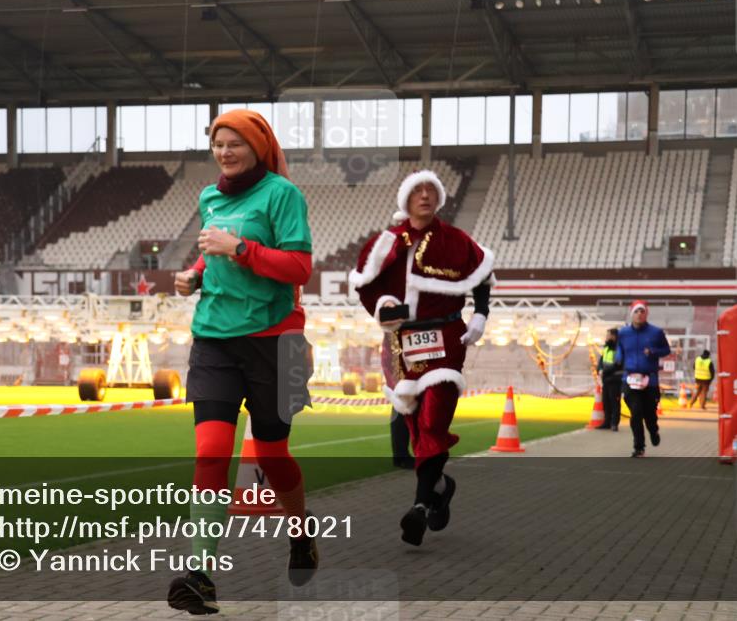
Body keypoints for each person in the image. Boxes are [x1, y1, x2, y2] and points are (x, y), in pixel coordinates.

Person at [169, 109, 317, 615]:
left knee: (273, 456)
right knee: (211, 452)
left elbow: (300, 268)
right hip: (214, 338)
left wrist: (242, 248)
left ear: (257, 145)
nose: (224, 152)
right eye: (217, 144)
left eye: (234, 143)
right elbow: (213, 256)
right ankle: (200, 575)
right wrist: (194, 274)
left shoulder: (282, 194)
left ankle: (301, 532)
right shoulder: (210, 197)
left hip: (275, 340)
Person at [351, 170, 495, 546]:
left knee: (434, 419)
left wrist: (480, 314)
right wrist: (383, 307)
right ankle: (441, 487)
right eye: (418, 191)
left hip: (446, 337)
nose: (426, 196)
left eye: (432, 190)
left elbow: (481, 275)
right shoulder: (385, 243)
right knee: (414, 425)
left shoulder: (457, 241)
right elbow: (368, 288)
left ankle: (417, 506)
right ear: (406, 199)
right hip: (400, 344)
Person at [616, 301, 671, 458]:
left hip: (650, 380)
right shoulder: (623, 333)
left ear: (646, 314)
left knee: (650, 414)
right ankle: (639, 447)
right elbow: (619, 348)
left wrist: (653, 351)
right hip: (630, 378)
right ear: (632, 314)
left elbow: (666, 349)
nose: (639, 314)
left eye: (642, 311)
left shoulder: (656, 332)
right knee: (636, 412)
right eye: (636, 311)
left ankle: (653, 430)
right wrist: (619, 357)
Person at [383, 331, 416, 468]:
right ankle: (402, 457)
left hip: (402, 376)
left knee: (401, 416)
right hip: (404, 376)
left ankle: (401, 456)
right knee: (402, 417)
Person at [596, 328, 623, 431]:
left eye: (608, 335)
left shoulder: (619, 348)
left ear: (613, 336)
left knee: (614, 402)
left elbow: (618, 364)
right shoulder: (606, 347)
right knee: (606, 401)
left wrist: (606, 371)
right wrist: (599, 369)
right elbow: (601, 360)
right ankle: (607, 422)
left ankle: (614, 423)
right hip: (606, 379)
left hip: (615, 379)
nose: (606, 337)